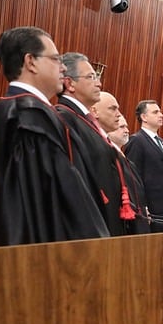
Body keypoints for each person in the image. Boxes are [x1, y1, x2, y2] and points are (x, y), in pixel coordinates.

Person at [0, 26, 109, 246]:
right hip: (41, 251)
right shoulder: (28, 114)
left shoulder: (25, 109)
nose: (62, 68)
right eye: (55, 59)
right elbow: (40, 202)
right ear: (30, 62)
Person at [56, 52, 128, 236]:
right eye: (91, 77)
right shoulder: (64, 119)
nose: (99, 83)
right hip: (89, 229)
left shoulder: (84, 121)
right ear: (69, 83)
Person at [91, 93, 150, 235]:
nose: (126, 130)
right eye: (121, 127)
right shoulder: (104, 152)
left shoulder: (126, 160)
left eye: (126, 126)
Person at [124, 100, 163, 232]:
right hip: (149, 209)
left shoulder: (161, 142)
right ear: (144, 117)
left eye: (160, 111)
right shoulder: (137, 140)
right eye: (155, 112)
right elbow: (133, 176)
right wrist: (142, 205)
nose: (161, 115)